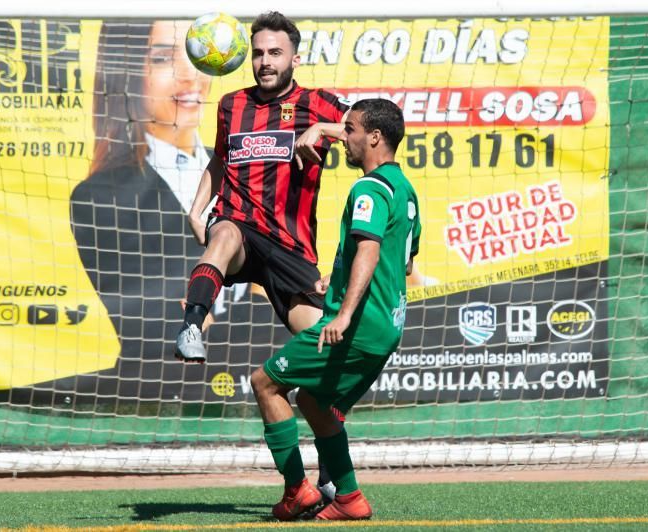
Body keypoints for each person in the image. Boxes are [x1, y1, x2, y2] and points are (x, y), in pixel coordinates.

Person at [250, 98, 421, 521]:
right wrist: (339, 282)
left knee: (265, 383)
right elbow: (405, 262)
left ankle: (296, 492)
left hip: (359, 324)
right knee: (312, 401)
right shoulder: (405, 190)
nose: (343, 138)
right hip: (386, 327)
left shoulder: (368, 188)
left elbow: (369, 249)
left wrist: (344, 312)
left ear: (374, 137)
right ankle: (348, 497)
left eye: (350, 130)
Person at [69, 20, 244, 398]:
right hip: (167, 390)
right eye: (163, 58)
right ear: (129, 72)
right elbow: (151, 326)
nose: (189, 75)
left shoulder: (236, 169)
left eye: (195, 55)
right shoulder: (100, 197)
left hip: (253, 379)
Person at [174, 11, 349, 364]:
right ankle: (191, 327)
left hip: (290, 245)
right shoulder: (231, 105)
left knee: (329, 352)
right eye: (258, 53)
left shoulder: (318, 103)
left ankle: (326, 412)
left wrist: (323, 130)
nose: (265, 62)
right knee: (223, 234)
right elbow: (220, 161)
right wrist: (196, 210)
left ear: (295, 59)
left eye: (275, 53)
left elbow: (372, 125)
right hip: (238, 225)